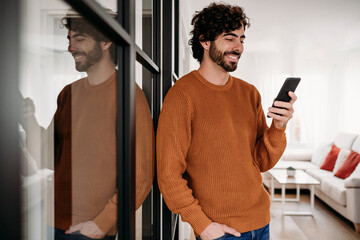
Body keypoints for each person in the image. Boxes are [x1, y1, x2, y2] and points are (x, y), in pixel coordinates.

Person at [156, 3, 297, 240]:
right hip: (219, 230)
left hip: (261, 222)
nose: (238, 47)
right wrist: (203, 225)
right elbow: (168, 174)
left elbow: (261, 162)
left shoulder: (249, 93)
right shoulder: (182, 95)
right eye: (230, 38)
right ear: (205, 41)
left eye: (242, 39)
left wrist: (279, 127)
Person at [48, 15, 154, 240]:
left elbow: (141, 175)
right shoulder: (69, 93)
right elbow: (49, 157)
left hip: (89, 229)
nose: (70, 47)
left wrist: (101, 223)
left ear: (106, 42)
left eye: (79, 39)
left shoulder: (129, 95)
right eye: (69, 40)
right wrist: (24, 119)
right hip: (52, 220)